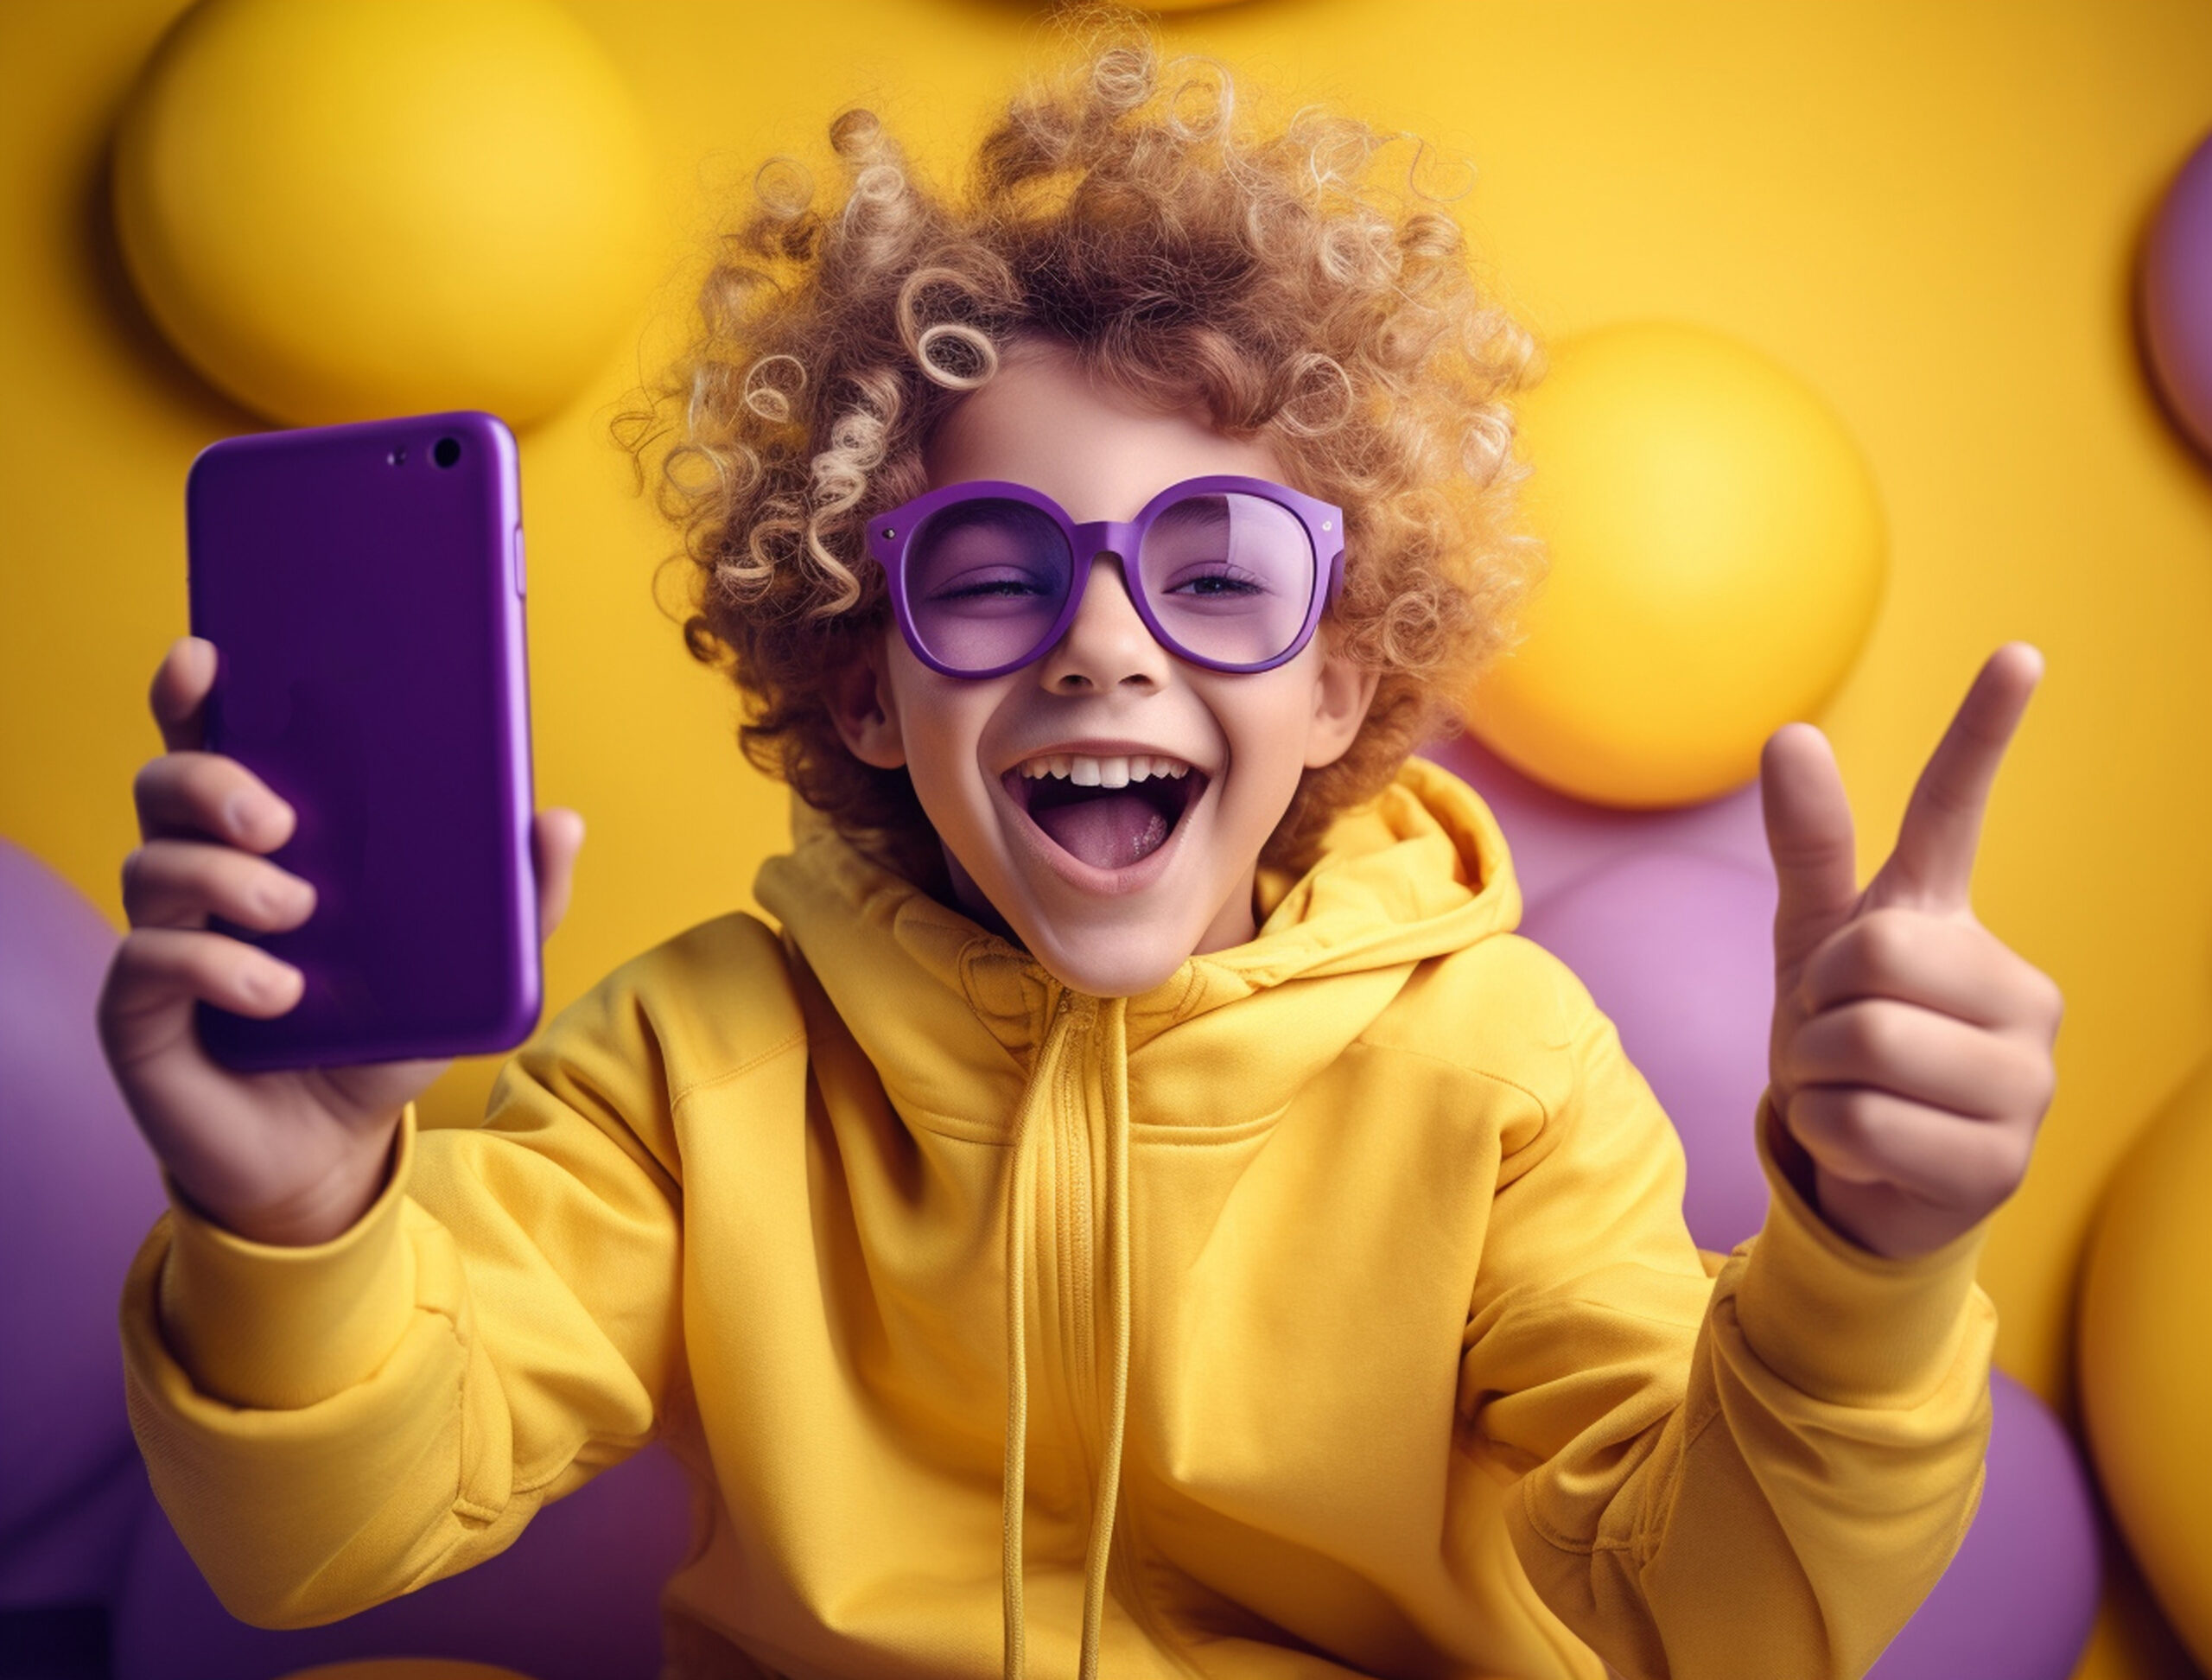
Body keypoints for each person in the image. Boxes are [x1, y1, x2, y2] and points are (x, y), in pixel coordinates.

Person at [103, 37, 2061, 1680]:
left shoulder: (1504, 1076)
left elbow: (1695, 1620)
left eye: (1215, 575)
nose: (1104, 640)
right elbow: (322, 1546)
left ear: (1334, 685)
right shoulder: (694, 1066)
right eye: (993, 574)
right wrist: (289, 1225)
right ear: (865, 686)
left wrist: (1863, 1271)